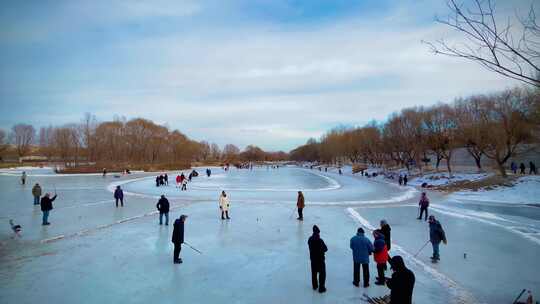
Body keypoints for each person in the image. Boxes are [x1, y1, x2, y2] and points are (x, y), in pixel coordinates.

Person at [308, 225, 328, 293]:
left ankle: (314, 286)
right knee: (322, 274)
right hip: (320, 260)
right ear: (318, 232)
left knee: (314, 273)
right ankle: (321, 288)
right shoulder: (320, 240)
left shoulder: (310, 239)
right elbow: (325, 249)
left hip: (313, 260)